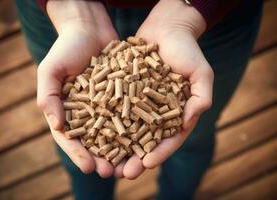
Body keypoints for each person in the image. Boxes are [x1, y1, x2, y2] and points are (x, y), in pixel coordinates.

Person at [15, 0, 263, 199]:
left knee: (193, 136)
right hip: (59, 11)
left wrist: (190, 12)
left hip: (209, 14)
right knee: (81, 158)